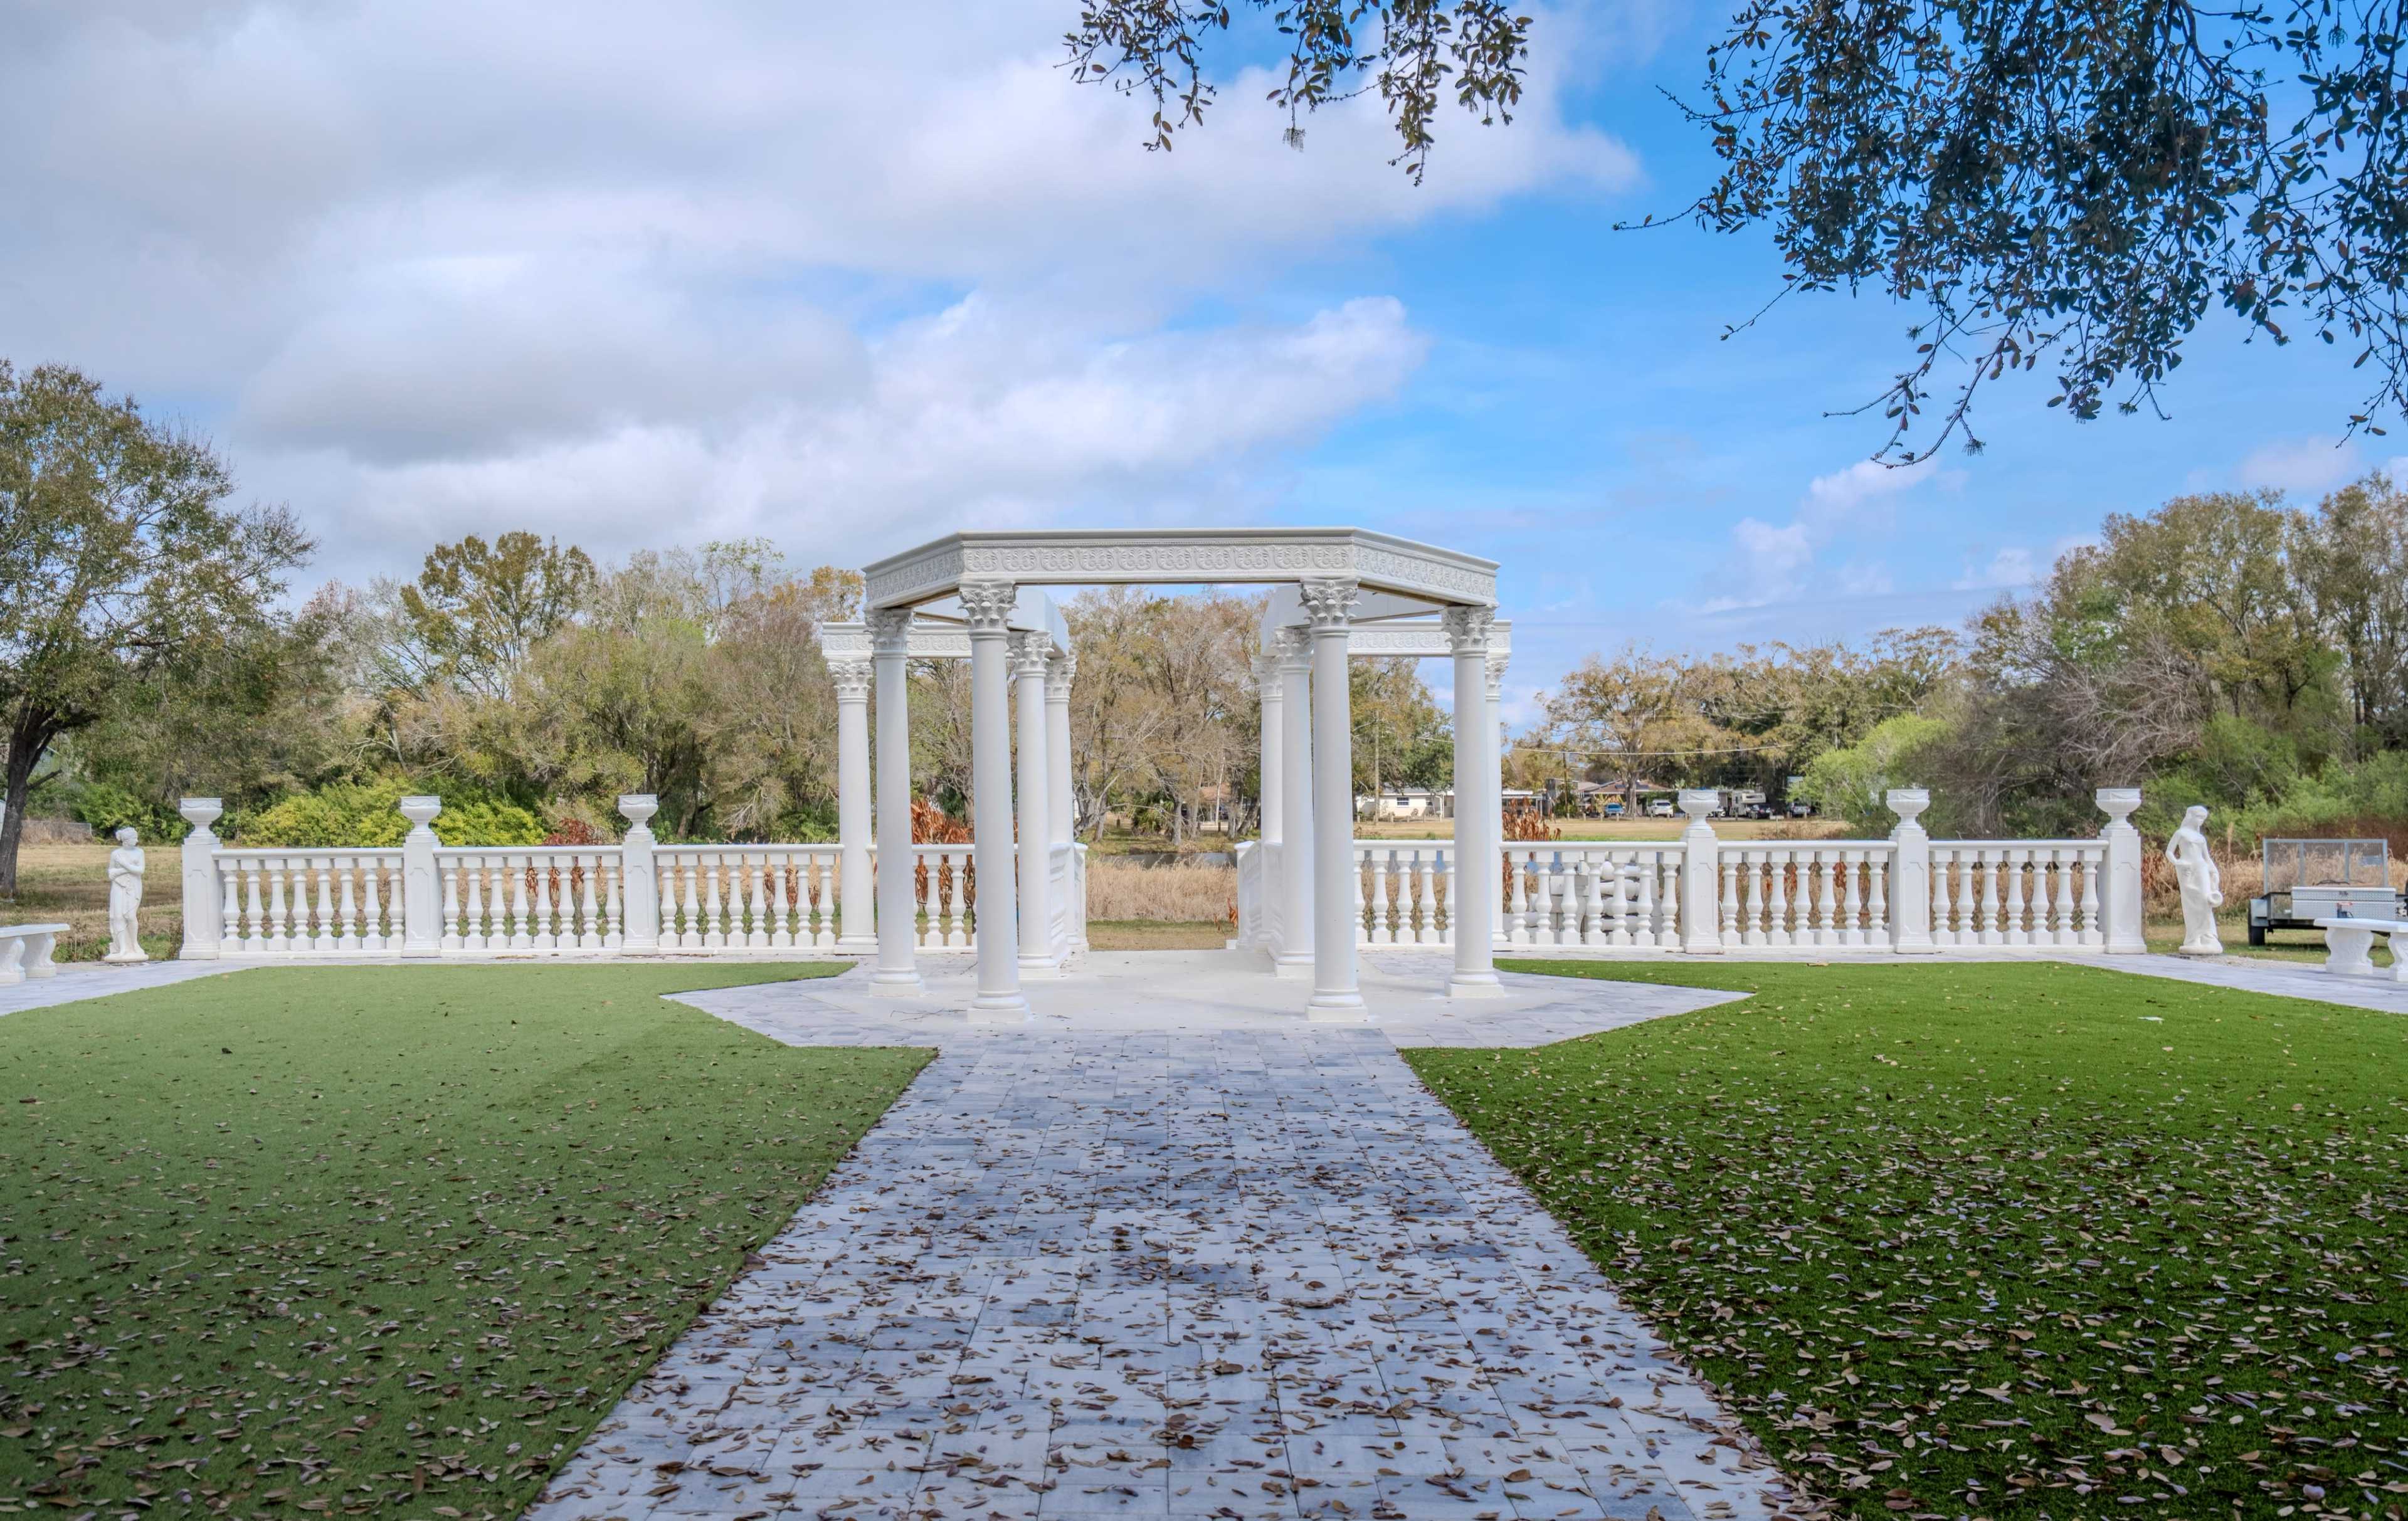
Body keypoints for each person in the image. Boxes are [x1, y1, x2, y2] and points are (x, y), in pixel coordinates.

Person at [2164, 804, 2222, 955]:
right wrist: (2178, 863)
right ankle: (2194, 937)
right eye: (2199, 817)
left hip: (2201, 869)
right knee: (2191, 904)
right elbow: (2169, 852)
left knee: (2205, 901)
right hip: (2187, 870)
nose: (2201, 821)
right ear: (2191, 816)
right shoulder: (2181, 833)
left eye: (2204, 819)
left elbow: (2207, 858)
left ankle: (2207, 936)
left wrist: (2214, 871)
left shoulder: (2201, 838)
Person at [105, 826, 147, 964]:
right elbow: (111, 873)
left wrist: (123, 865)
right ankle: (123, 948)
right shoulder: (116, 854)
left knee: (130, 915)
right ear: (127, 840)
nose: (137, 840)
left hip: (134, 886)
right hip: (118, 886)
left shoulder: (139, 852)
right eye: (135, 838)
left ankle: (134, 944)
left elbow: (140, 870)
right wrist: (125, 870)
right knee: (118, 916)